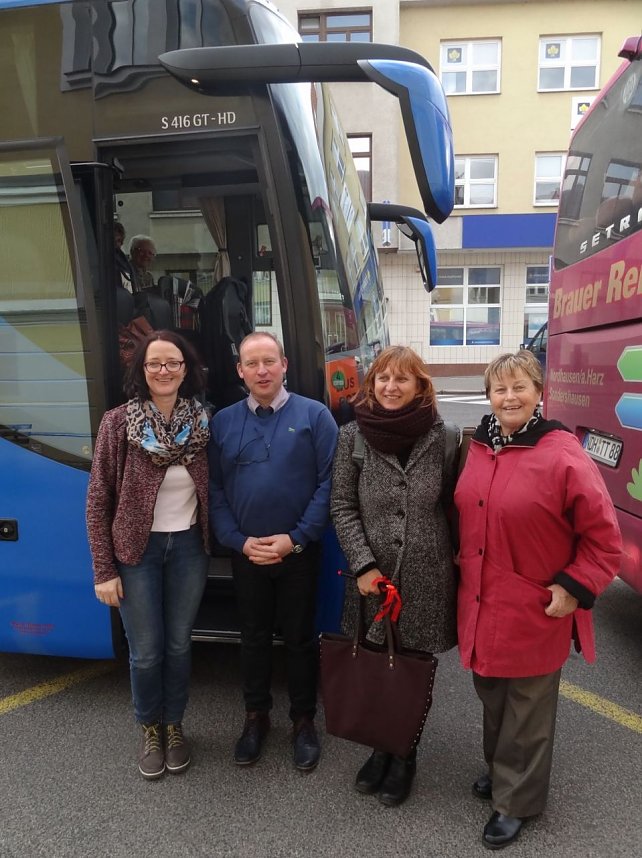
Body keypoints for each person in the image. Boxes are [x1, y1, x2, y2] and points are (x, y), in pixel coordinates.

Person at [455, 350, 622, 849]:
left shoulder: (563, 452)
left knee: (527, 710)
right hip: (482, 601)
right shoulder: (479, 447)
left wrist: (574, 589)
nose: (509, 397)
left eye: (519, 387)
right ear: (488, 395)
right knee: (493, 697)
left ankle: (517, 800)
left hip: (535, 605)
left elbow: (604, 540)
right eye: (500, 388)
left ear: (538, 393)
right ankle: (501, 771)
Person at [330, 345, 458, 807]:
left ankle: (404, 754)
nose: (390, 386)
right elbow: (342, 506)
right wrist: (364, 565)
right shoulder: (352, 438)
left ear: (420, 386)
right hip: (371, 578)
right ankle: (380, 747)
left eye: (402, 379)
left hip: (427, 576)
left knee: (410, 670)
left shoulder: (446, 438)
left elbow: (454, 507)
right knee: (374, 664)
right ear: (372, 383)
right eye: (383, 378)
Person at [208, 332, 338, 771]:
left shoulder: (316, 417)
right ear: (239, 371)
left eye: (269, 361)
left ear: (284, 364)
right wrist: (238, 541)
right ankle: (255, 717)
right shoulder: (223, 422)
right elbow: (215, 490)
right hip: (247, 553)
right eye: (252, 363)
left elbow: (328, 484)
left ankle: (303, 721)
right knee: (253, 639)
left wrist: (296, 537)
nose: (261, 370)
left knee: (301, 640)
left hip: (297, 552)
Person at [86, 330, 210, 780]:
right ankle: (150, 728)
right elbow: (98, 497)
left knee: (179, 645)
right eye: (154, 363)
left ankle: (174, 724)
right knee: (146, 652)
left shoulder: (202, 421)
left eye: (172, 363)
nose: (163, 371)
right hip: (136, 552)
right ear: (141, 370)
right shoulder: (118, 423)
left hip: (189, 549)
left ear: (186, 369)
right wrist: (104, 568)